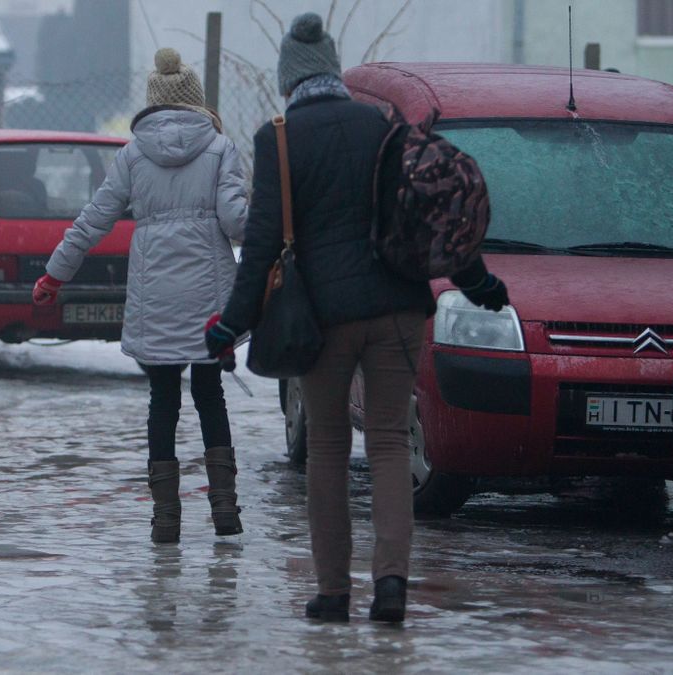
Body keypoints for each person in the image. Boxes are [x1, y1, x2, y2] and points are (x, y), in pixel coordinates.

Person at [206, 13, 508, 623]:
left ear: (289, 77)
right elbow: (426, 215)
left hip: (325, 322)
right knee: (392, 443)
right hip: (399, 310)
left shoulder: (279, 139)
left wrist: (229, 326)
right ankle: (392, 585)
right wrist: (481, 285)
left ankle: (333, 592)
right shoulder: (380, 125)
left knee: (328, 449)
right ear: (332, 69)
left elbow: (261, 246)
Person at [33, 48, 249, 544]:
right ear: (196, 100)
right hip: (208, 297)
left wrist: (54, 274)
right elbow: (237, 222)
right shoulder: (220, 148)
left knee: (162, 400)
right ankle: (224, 511)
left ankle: (166, 519)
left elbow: (93, 220)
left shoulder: (131, 155)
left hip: (155, 297)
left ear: (153, 103)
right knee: (210, 394)